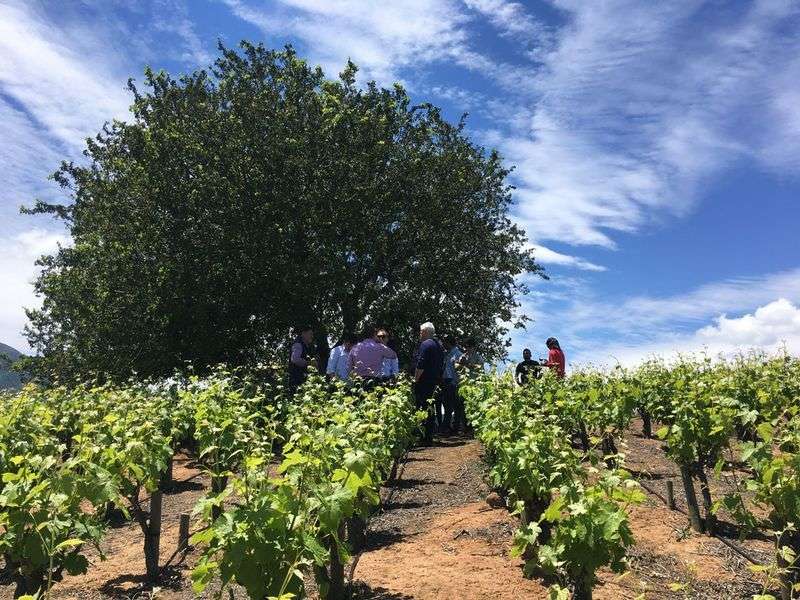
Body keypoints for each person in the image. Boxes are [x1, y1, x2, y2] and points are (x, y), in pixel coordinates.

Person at [415, 322, 444, 444]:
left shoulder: (425, 344)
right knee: (431, 409)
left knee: (422, 407)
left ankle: (423, 437)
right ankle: (429, 436)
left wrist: (415, 379)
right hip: (435, 381)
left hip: (424, 381)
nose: (420, 334)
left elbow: (421, 364)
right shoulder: (439, 346)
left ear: (426, 332)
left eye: (421, 332)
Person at [441, 335, 464, 433]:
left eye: (445, 342)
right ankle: (448, 426)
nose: (443, 345)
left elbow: (461, 370)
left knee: (455, 405)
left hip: (453, 382)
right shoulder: (447, 354)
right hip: (446, 381)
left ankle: (454, 426)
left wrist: (458, 382)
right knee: (447, 405)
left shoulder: (458, 354)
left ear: (449, 343)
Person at [288, 325, 315, 392]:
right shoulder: (298, 344)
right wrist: (310, 363)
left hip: (301, 379)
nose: (312, 336)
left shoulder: (305, 345)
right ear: (303, 334)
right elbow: (295, 359)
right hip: (297, 380)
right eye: (310, 334)